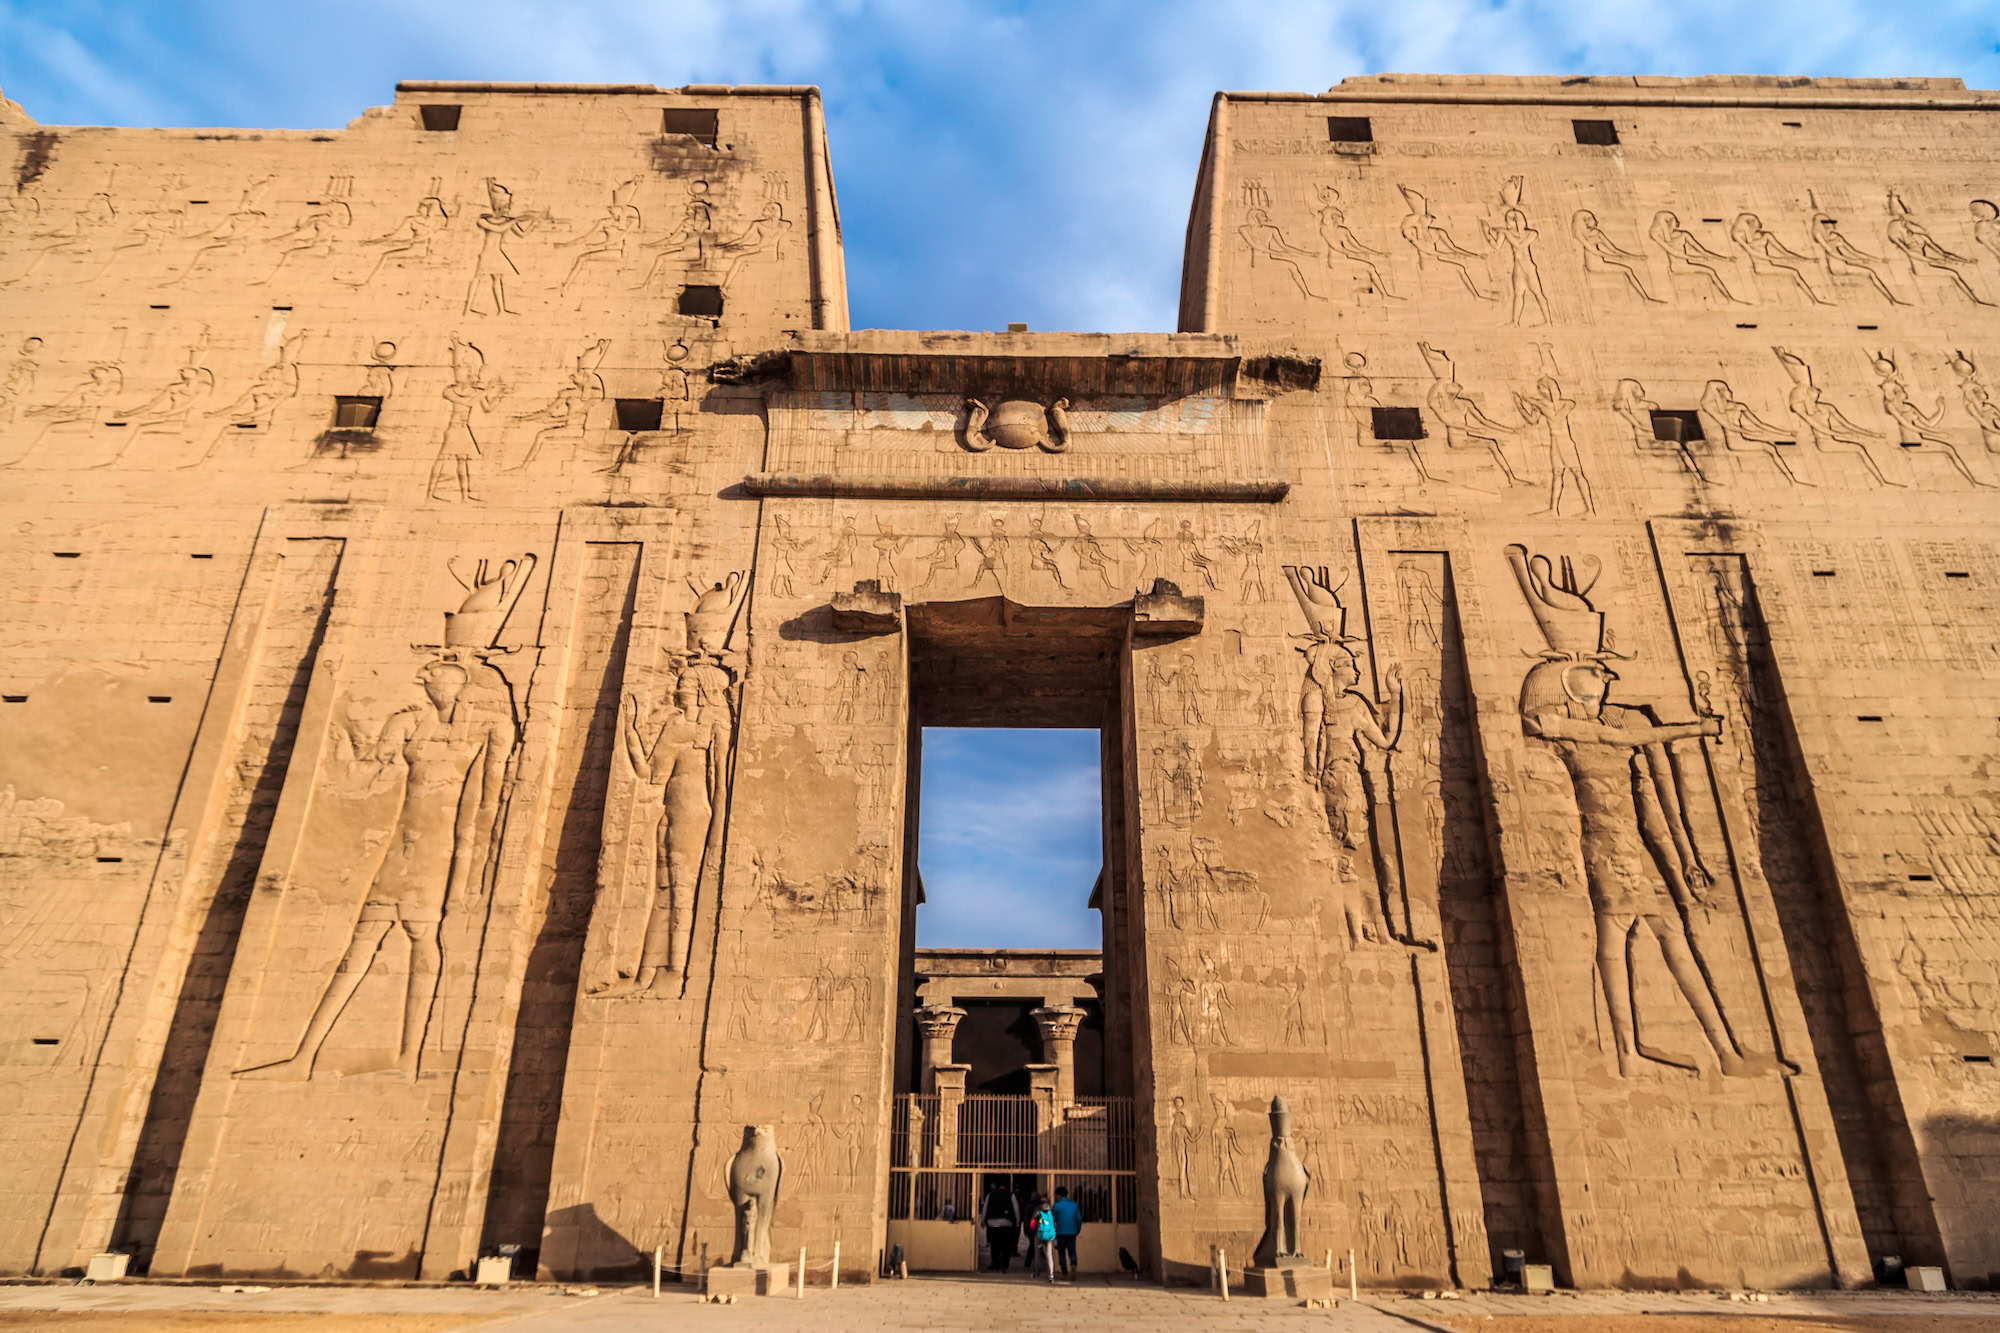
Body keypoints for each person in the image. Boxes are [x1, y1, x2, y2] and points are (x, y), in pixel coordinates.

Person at [980, 1180, 1020, 1273]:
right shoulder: (1011, 1195)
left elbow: (985, 1208)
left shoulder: (990, 1195)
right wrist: (1017, 1223)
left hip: (992, 1224)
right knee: (1006, 1246)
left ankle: (995, 1264)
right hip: (1007, 1224)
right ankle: (1004, 1265)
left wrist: (983, 1221)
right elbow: (1016, 1209)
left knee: (994, 1246)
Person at [1051, 1186, 1082, 1279]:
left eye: (1056, 1195)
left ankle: (1064, 1270)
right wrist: (1078, 1230)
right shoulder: (1074, 1205)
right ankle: (1073, 1264)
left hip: (1061, 1233)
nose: (1055, 1197)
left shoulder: (1056, 1206)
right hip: (1072, 1232)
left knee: (1061, 1252)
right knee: (1072, 1251)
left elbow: (1053, 1220)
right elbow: (1079, 1219)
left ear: (1059, 1195)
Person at [1028, 1196, 1057, 1282]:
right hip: (1049, 1236)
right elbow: (1054, 1224)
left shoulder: (1037, 1210)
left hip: (1039, 1235)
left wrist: (1033, 1230)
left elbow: (1032, 1223)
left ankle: (1036, 1275)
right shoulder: (1051, 1211)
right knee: (1049, 1256)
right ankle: (1051, 1276)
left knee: (1038, 1255)